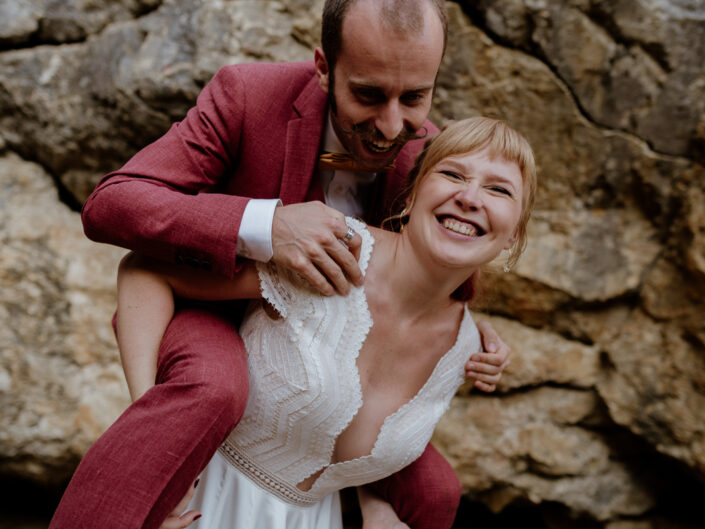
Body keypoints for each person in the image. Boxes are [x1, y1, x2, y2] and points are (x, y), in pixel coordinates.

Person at [49, 1, 512, 528]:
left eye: (415, 97)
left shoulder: (430, 157)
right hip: (215, 304)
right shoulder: (246, 94)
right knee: (215, 386)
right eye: (367, 95)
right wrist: (265, 226)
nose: (391, 125)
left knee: (435, 489)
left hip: (334, 364)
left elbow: (437, 273)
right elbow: (113, 204)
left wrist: (473, 334)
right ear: (323, 68)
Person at [115, 117, 537, 529]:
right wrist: (156, 448)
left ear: (514, 235)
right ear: (410, 198)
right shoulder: (330, 253)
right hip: (203, 503)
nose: (470, 197)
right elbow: (146, 271)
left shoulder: (465, 350)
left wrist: (377, 506)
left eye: (498, 189)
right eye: (452, 174)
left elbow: (334, 429)